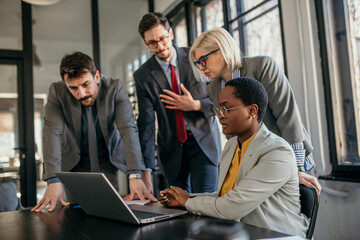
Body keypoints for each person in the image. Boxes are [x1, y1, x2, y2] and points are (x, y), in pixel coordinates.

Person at [160, 77, 309, 238]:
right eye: (219, 110)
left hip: (277, 236)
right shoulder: (231, 146)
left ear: (252, 111)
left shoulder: (278, 151)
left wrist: (187, 202)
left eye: (227, 109)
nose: (220, 116)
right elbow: (224, 196)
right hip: (241, 232)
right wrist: (186, 198)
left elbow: (231, 206)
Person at [189, 27, 321, 193]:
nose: (201, 67)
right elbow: (232, 135)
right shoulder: (214, 89)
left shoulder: (262, 66)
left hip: (287, 154)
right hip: (256, 165)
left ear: (222, 49)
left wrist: (296, 168)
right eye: (197, 63)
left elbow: (288, 117)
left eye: (203, 60)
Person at [32, 51, 156, 213]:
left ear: (96, 77)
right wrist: (53, 179)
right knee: (76, 215)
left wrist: (135, 174)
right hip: (74, 164)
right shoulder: (57, 92)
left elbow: (128, 129)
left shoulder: (115, 88)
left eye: (85, 84)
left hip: (107, 160)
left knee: (111, 211)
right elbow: (51, 133)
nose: (81, 93)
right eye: (73, 88)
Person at [133, 12, 221, 193]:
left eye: (163, 39)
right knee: (178, 210)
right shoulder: (142, 76)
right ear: (145, 43)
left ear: (170, 33)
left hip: (204, 144)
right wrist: (146, 170)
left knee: (204, 205)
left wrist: (195, 105)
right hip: (172, 150)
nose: (160, 46)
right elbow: (146, 124)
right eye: (152, 43)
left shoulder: (196, 56)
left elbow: (222, 98)